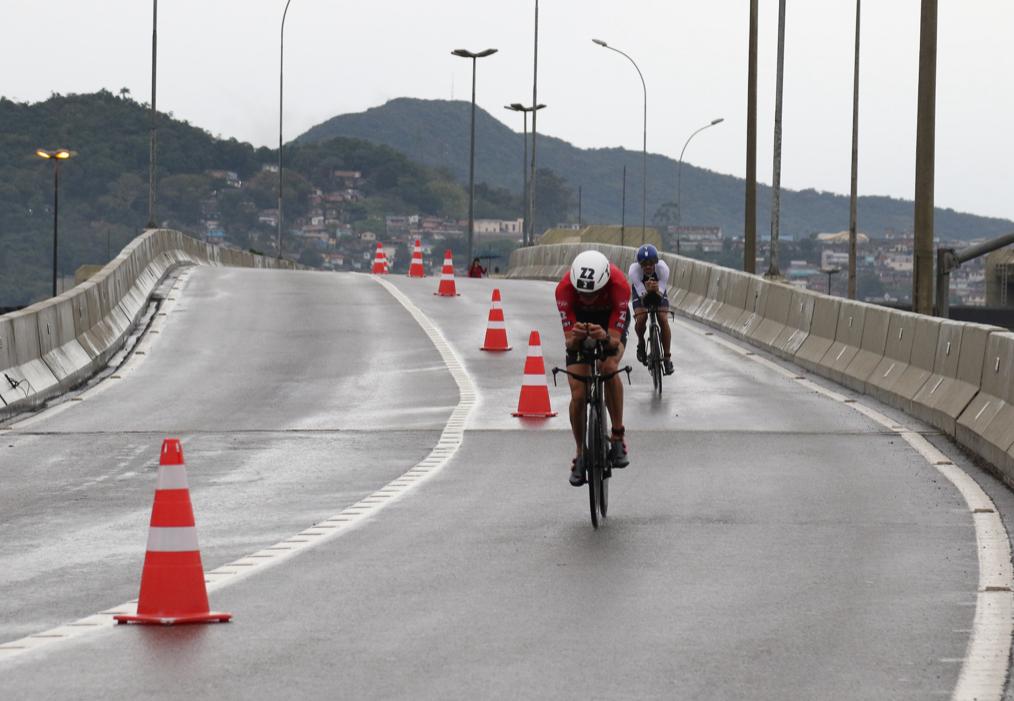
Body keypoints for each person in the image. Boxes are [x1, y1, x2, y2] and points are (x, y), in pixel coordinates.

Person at [555, 250, 631, 486]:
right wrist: (577, 338)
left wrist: (605, 337)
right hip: (580, 323)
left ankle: (617, 436)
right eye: (582, 293)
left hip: (609, 322)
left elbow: (615, 341)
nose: (587, 297)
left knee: (608, 366)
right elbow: (569, 342)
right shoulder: (564, 290)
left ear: (605, 283)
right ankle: (580, 453)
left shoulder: (620, 286)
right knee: (578, 393)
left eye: (593, 293)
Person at [628, 244, 674, 376]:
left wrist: (654, 289)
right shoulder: (634, 271)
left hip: (658, 290)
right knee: (641, 317)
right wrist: (647, 290)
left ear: (656, 263)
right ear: (639, 265)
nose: (648, 266)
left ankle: (667, 358)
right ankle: (641, 343)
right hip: (641, 292)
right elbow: (644, 299)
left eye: (651, 263)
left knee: (663, 318)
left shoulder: (663, 269)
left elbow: (659, 296)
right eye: (644, 264)